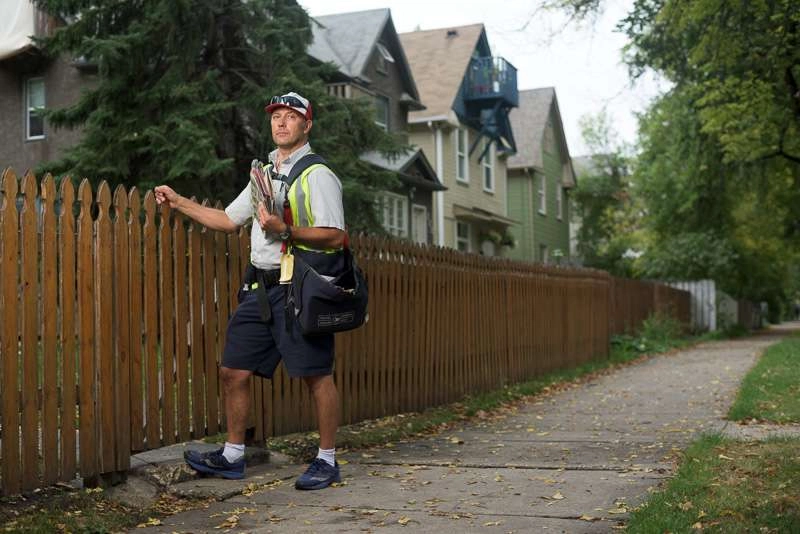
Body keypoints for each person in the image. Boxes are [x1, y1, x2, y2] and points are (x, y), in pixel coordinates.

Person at [154, 92, 346, 490]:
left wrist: (286, 230)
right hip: (259, 287)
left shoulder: (317, 175)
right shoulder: (264, 173)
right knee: (233, 371)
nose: (280, 123)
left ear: (306, 125)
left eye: (290, 117)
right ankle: (233, 456)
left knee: (316, 375)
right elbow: (228, 219)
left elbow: (336, 237)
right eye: (276, 116)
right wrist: (179, 202)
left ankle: (327, 460)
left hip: (298, 288)